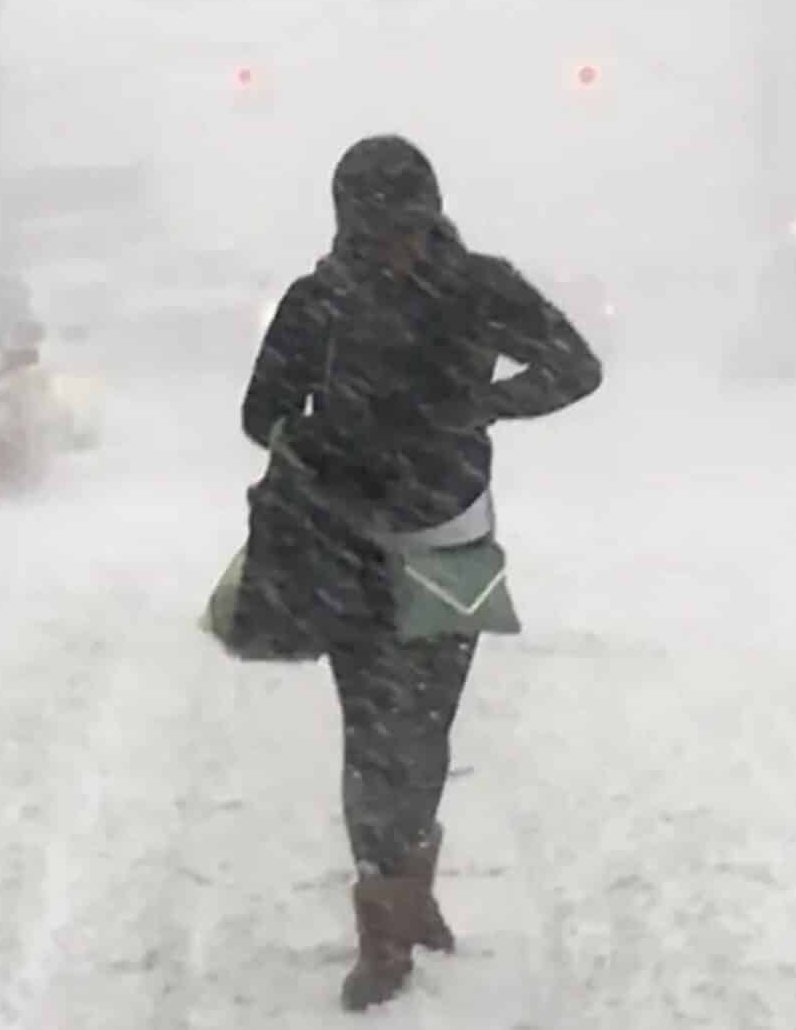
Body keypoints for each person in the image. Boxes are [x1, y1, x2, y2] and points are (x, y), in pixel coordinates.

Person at [236, 134, 603, 1011]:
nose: (393, 242)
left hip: (449, 536)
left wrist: (484, 403)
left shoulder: (472, 286)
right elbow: (262, 415)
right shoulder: (326, 300)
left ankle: (410, 889)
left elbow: (577, 368)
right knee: (372, 732)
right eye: (377, 226)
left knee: (424, 729)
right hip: (353, 542)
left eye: (402, 223)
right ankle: (383, 929)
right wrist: (325, 441)